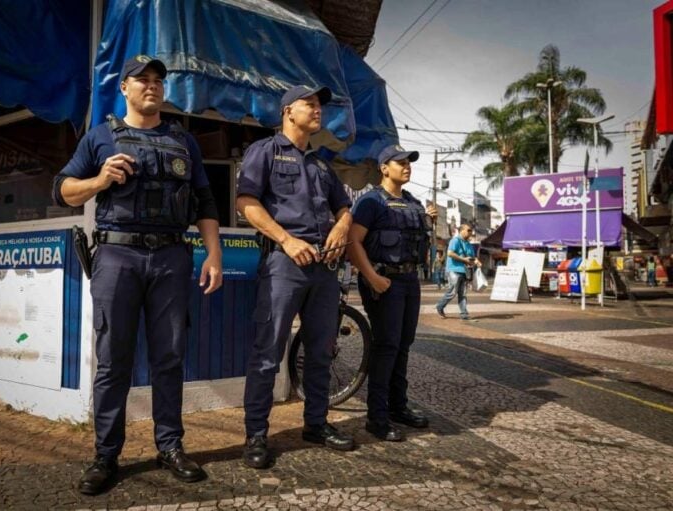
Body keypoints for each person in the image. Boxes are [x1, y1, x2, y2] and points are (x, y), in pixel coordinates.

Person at [52, 55, 223, 495]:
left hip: (170, 258)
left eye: (157, 80)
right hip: (117, 257)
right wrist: (99, 181)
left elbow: (205, 202)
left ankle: (170, 447)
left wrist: (213, 255)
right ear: (124, 88)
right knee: (113, 363)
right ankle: (105, 456)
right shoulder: (101, 137)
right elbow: (64, 190)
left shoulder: (184, 142)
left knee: (169, 358)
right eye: (141, 80)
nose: (151, 86)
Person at [236, 84, 355, 469]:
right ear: (288, 111)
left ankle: (316, 424)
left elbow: (344, 209)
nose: (317, 109)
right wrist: (286, 241)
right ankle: (256, 434)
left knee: (321, 350)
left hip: (324, 268)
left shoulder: (321, 164)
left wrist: (341, 227)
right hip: (285, 264)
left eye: (320, 104)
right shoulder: (265, 151)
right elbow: (246, 203)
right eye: (310, 104)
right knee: (267, 353)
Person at [347, 144, 437, 442]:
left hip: (409, 281)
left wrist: (430, 221)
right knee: (386, 347)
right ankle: (377, 417)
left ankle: (398, 407)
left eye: (409, 161)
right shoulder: (371, 202)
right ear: (384, 168)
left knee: (403, 345)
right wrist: (372, 278)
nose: (407, 166)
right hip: (383, 281)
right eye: (400, 162)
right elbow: (353, 243)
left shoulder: (413, 203)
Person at [435, 224, 481, 320]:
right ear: (461, 231)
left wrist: (476, 261)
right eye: (468, 230)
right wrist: (464, 260)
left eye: (471, 230)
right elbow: (450, 253)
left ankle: (464, 314)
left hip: (465, 271)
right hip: (454, 270)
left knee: (463, 293)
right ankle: (440, 306)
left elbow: (472, 257)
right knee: (452, 292)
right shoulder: (455, 241)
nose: (470, 232)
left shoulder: (469, 244)